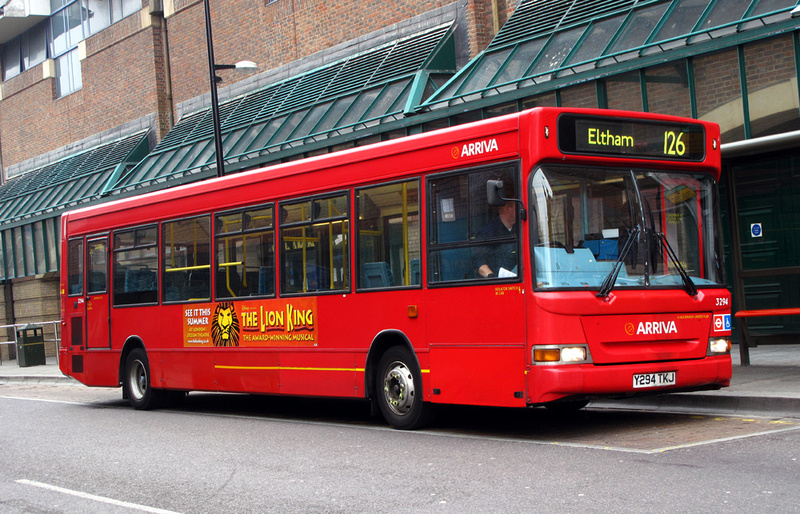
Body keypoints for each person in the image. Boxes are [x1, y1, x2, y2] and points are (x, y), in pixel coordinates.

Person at [476, 201, 518, 278]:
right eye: (517, 207)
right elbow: (478, 259)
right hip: (498, 282)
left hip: (519, 280)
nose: (520, 210)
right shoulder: (488, 232)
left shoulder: (521, 229)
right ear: (507, 208)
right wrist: (491, 276)